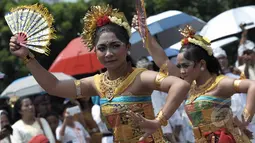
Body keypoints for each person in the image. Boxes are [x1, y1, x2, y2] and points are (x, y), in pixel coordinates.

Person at [9, 5, 190, 142]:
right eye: (102, 48)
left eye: (115, 46)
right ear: (95, 52)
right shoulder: (96, 83)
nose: (109, 53)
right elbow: (53, 86)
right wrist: (28, 58)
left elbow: (180, 85)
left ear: (127, 48)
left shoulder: (140, 77)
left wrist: (158, 121)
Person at [132, 13, 255, 142]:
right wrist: (145, 33)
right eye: (179, 66)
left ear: (202, 64)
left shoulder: (220, 83)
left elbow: (252, 85)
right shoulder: (189, 85)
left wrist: (245, 119)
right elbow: (163, 61)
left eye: (185, 65)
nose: (182, 71)